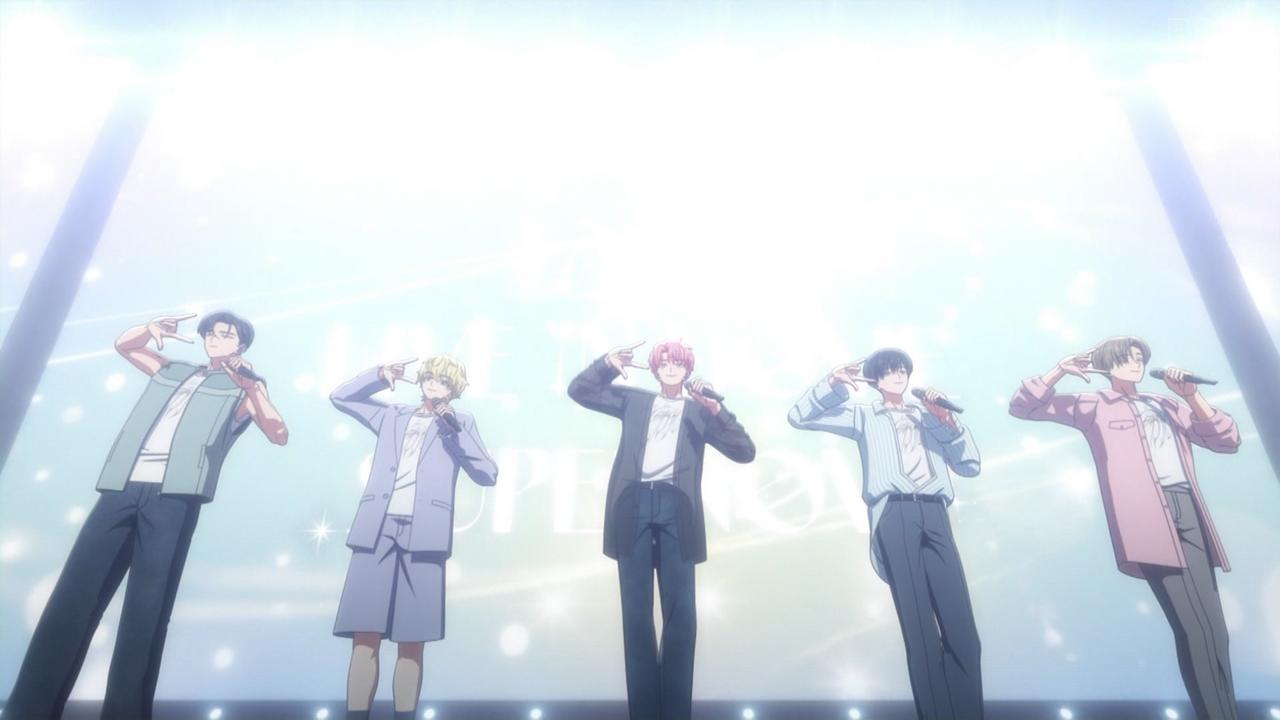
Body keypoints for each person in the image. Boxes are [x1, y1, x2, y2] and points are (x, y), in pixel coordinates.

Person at [7, 310, 288, 720]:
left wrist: (254, 387)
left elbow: (278, 433)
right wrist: (149, 329)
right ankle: (28, 709)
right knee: (71, 598)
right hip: (122, 484)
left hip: (174, 496)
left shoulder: (244, 388)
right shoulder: (173, 370)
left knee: (146, 611)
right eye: (210, 333)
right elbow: (126, 346)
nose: (214, 338)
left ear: (240, 344)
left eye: (225, 334)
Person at [1009, 336, 1241, 720]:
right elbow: (1023, 407)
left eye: (1139, 358)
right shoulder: (1093, 405)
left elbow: (1227, 440)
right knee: (1192, 627)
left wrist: (1192, 396)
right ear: (1106, 364)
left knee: (1216, 629)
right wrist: (1058, 371)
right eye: (1125, 358)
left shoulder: (1165, 403)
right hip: (1148, 519)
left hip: (1188, 508)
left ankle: (1226, 713)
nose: (1135, 364)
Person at [788, 348, 983, 720]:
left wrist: (947, 422)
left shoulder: (928, 415)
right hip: (895, 513)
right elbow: (800, 417)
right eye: (889, 370)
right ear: (874, 379)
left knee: (962, 629)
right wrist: (832, 383)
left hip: (935, 512)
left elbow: (969, 464)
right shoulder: (864, 415)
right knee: (920, 630)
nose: (897, 375)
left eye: (902, 369)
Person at [568, 340, 755, 720]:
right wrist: (606, 364)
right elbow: (580, 391)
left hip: (677, 507)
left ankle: (675, 713)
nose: (671, 368)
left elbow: (744, 451)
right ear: (654, 369)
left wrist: (716, 410)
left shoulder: (700, 411)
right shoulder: (634, 401)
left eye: (677, 363)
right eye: (664, 362)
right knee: (636, 615)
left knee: (681, 614)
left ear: (688, 369)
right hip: (633, 504)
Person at [330, 355, 497, 720]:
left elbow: (487, 473)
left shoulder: (461, 422)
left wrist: (454, 433)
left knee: (412, 640)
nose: (434, 384)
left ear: (454, 389)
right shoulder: (393, 415)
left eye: (444, 381)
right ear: (420, 380)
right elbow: (341, 397)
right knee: (364, 635)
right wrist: (378, 375)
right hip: (376, 530)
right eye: (430, 377)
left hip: (425, 536)